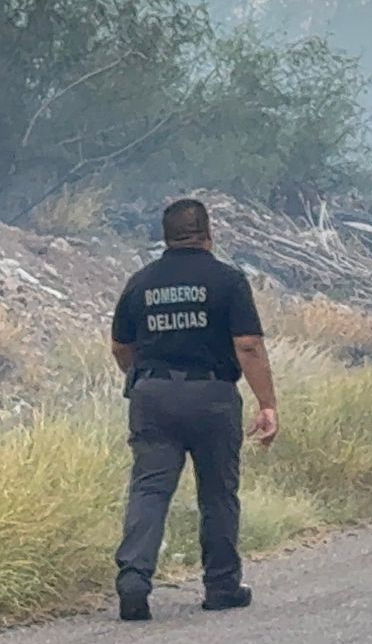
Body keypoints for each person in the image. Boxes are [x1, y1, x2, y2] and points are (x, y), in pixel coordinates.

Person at [110, 199, 279, 622]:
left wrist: (141, 379)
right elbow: (248, 345)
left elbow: (119, 346)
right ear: (208, 233)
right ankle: (222, 587)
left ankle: (133, 581)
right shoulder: (227, 281)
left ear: (166, 237)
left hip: (153, 395)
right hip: (212, 395)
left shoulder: (141, 282)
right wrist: (267, 403)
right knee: (217, 493)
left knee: (150, 490)